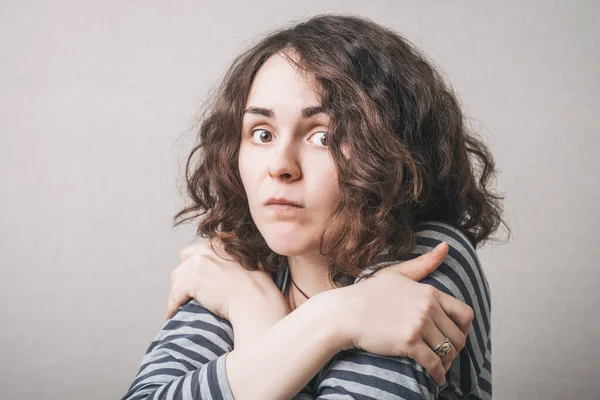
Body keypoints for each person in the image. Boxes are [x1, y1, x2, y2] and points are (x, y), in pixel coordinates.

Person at [121, 13, 507, 400]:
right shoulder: (236, 270)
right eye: (262, 133)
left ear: (393, 152)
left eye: (324, 136)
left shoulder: (428, 258)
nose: (280, 166)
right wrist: (323, 319)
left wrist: (266, 320)